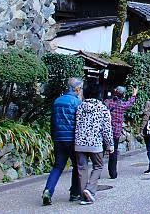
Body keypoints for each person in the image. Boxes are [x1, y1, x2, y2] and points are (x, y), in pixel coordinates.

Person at [42, 77, 83, 206]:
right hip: (72, 139)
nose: (81, 90)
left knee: (58, 166)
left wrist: (54, 135)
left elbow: (52, 121)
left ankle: (48, 190)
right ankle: (74, 194)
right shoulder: (77, 102)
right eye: (80, 88)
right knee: (77, 165)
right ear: (76, 88)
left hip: (58, 138)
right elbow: (79, 122)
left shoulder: (57, 101)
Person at [74, 82, 113, 205]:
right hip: (95, 143)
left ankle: (84, 196)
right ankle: (89, 189)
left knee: (82, 168)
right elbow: (106, 129)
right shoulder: (102, 108)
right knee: (98, 166)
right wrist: (110, 145)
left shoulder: (80, 107)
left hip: (79, 142)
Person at [105, 86, 137, 179]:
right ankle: (113, 173)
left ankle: (96, 172)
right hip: (115, 131)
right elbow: (130, 103)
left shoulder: (107, 102)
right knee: (113, 152)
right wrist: (134, 94)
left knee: (100, 152)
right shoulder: (122, 105)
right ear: (122, 95)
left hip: (105, 130)